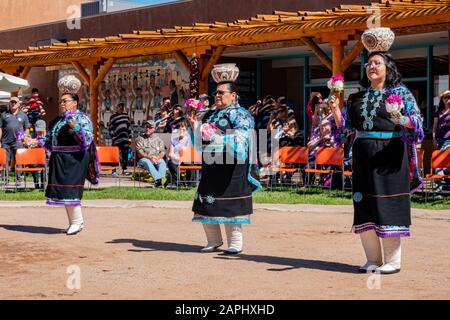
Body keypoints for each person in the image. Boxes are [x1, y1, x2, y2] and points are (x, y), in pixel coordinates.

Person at [332, 28, 424, 274]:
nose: (371, 67)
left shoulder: (401, 93)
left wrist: (400, 117)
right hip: (363, 154)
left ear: (387, 67)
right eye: (368, 63)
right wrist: (336, 111)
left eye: (376, 63)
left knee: (388, 205)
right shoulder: (357, 98)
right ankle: (372, 259)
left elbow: (417, 124)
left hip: (390, 155)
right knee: (364, 205)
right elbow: (346, 130)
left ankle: (393, 261)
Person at [188, 64, 261, 254]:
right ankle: (213, 240)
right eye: (216, 93)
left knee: (231, 205)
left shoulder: (242, 115)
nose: (217, 96)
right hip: (212, 166)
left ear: (233, 95)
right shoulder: (210, 114)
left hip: (232, 168)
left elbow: (243, 140)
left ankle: (235, 242)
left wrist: (218, 137)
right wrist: (195, 126)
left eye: (221, 93)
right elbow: (198, 144)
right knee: (206, 203)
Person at [45, 75, 97, 235]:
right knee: (63, 193)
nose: (62, 104)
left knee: (71, 191)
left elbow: (87, 139)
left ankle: (77, 222)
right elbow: (49, 140)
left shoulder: (83, 119)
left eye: (65, 101)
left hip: (75, 159)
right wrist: (34, 141)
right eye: (61, 101)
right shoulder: (57, 120)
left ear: (74, 103)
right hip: (59, 159)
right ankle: (75, 222)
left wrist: (75, 127)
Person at [0, 97, 30, 183]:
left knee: (18, 160)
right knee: (5, 161)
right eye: (11, 102)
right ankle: (5, 178)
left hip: (18, 142)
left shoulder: (23, 115)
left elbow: (27, 128)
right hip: (6, 141)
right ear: (9, 103)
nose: (13, 104)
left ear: (18, 104)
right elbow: (0, 128)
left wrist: (24, 137)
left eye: (15, 102)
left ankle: (18, 178)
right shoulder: (4, 114)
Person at [136, 120, 167, 187]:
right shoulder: (140, 139)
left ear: (154, 129)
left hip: (156, 158)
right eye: (146, 127)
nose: (147, 128)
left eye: (150, 127)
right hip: (144, 159)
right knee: (147, 162)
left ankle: (159, 182)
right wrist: (150, 158)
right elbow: (140, 152)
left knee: (162, 162)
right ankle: (160, 179)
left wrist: (157, 158)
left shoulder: (159, 140)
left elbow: (162, 152)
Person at [167, 121, 193, 185]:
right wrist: (176, 158)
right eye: (180, 129)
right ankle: (179, 182)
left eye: (183, 129)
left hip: (185, 159)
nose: (181, 131)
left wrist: (180, 158)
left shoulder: (188, 140)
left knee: (190, 164)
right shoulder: (173, 140)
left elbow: (187, 152)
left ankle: (190, 183)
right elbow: (170, 153)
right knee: (171, 163)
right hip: (175, 158)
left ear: (186, 131)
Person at [109, 103, 131, 175]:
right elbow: (111, 128)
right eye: (120, 107)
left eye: (123, 107)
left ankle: (124, 169)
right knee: (114, 155)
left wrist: (130, 138)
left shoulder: (126, 116)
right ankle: (113, 170)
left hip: (125, 138)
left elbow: (129, 128)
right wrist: (113, 137)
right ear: (117, 107)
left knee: (125, 154)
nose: (122, 108)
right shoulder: (113, 116)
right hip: (116, 139)